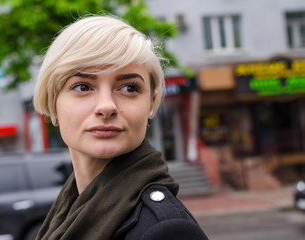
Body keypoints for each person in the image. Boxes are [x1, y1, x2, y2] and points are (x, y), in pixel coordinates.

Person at [33, 15, 209, 240]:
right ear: (52, 102)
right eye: (82, 86)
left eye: (128, 88)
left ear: (150, 104)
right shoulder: (69, 208)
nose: (106, 107)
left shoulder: (167, 231)